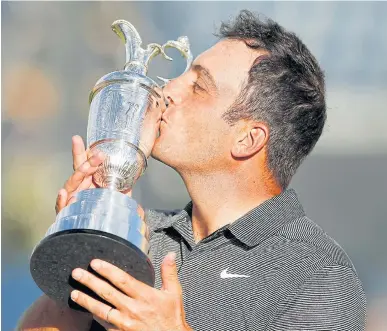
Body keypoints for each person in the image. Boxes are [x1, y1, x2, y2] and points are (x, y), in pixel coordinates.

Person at [18, 10, 366, 331]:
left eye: (198, 87)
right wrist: (88, 234)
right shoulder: (141, 232)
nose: (167, 91)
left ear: (247, 139)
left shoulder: (317, 274)